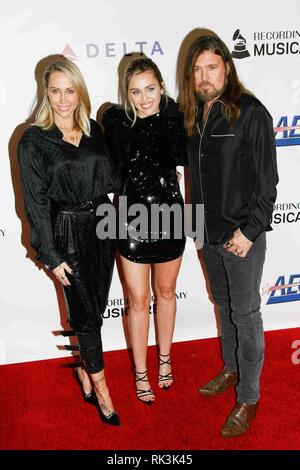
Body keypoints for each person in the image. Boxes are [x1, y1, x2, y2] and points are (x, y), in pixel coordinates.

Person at [180, 35, 278, 437]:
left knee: (245, 315)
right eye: (198, 70)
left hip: (241, 238)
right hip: (207, 233)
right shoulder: (193, 116)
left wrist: (250, 231)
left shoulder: (251, 113)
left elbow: (268, 182)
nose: (204, 76)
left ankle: (249, 396)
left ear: (227, 68)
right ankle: (231, 368)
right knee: (223, 306)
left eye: (212, 67)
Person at [18, 58, 120, 425]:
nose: (63, 99)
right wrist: (50, 253)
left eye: (69, 90)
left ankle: (84, 371)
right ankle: (103, 390)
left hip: (103, 227)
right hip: (66, 231)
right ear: (45, 93)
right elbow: (35, 202)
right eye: (55, 90)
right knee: (86, 317)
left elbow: (113, 178)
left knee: (97, 309)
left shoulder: (93, 130)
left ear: (80, 92)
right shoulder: (34, 140)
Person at [103, 57, 186, 404]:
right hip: (131, 217)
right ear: (127, 93)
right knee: (137, 301)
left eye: (150, 89)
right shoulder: (116, 122)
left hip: (171, 213)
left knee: (165, 293)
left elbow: (183, 160)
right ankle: (140, 373)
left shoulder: (176, 117)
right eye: (135, 92)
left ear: (162, 88)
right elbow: (111, 169)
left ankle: (164, 360)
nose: (144, 98)